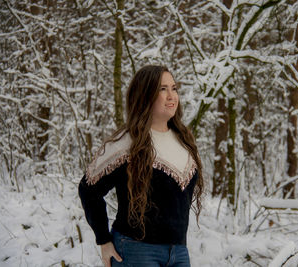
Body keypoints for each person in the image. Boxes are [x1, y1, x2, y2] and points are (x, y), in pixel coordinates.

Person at [78, 65, 204, 267]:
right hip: (136, 251)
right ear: (145, 95)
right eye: (162, 89)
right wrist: (103, 239)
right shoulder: (126, 143)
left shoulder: (184, 142)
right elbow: (89, 189)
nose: (171, 95)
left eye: (174, 88)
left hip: (179, 252)